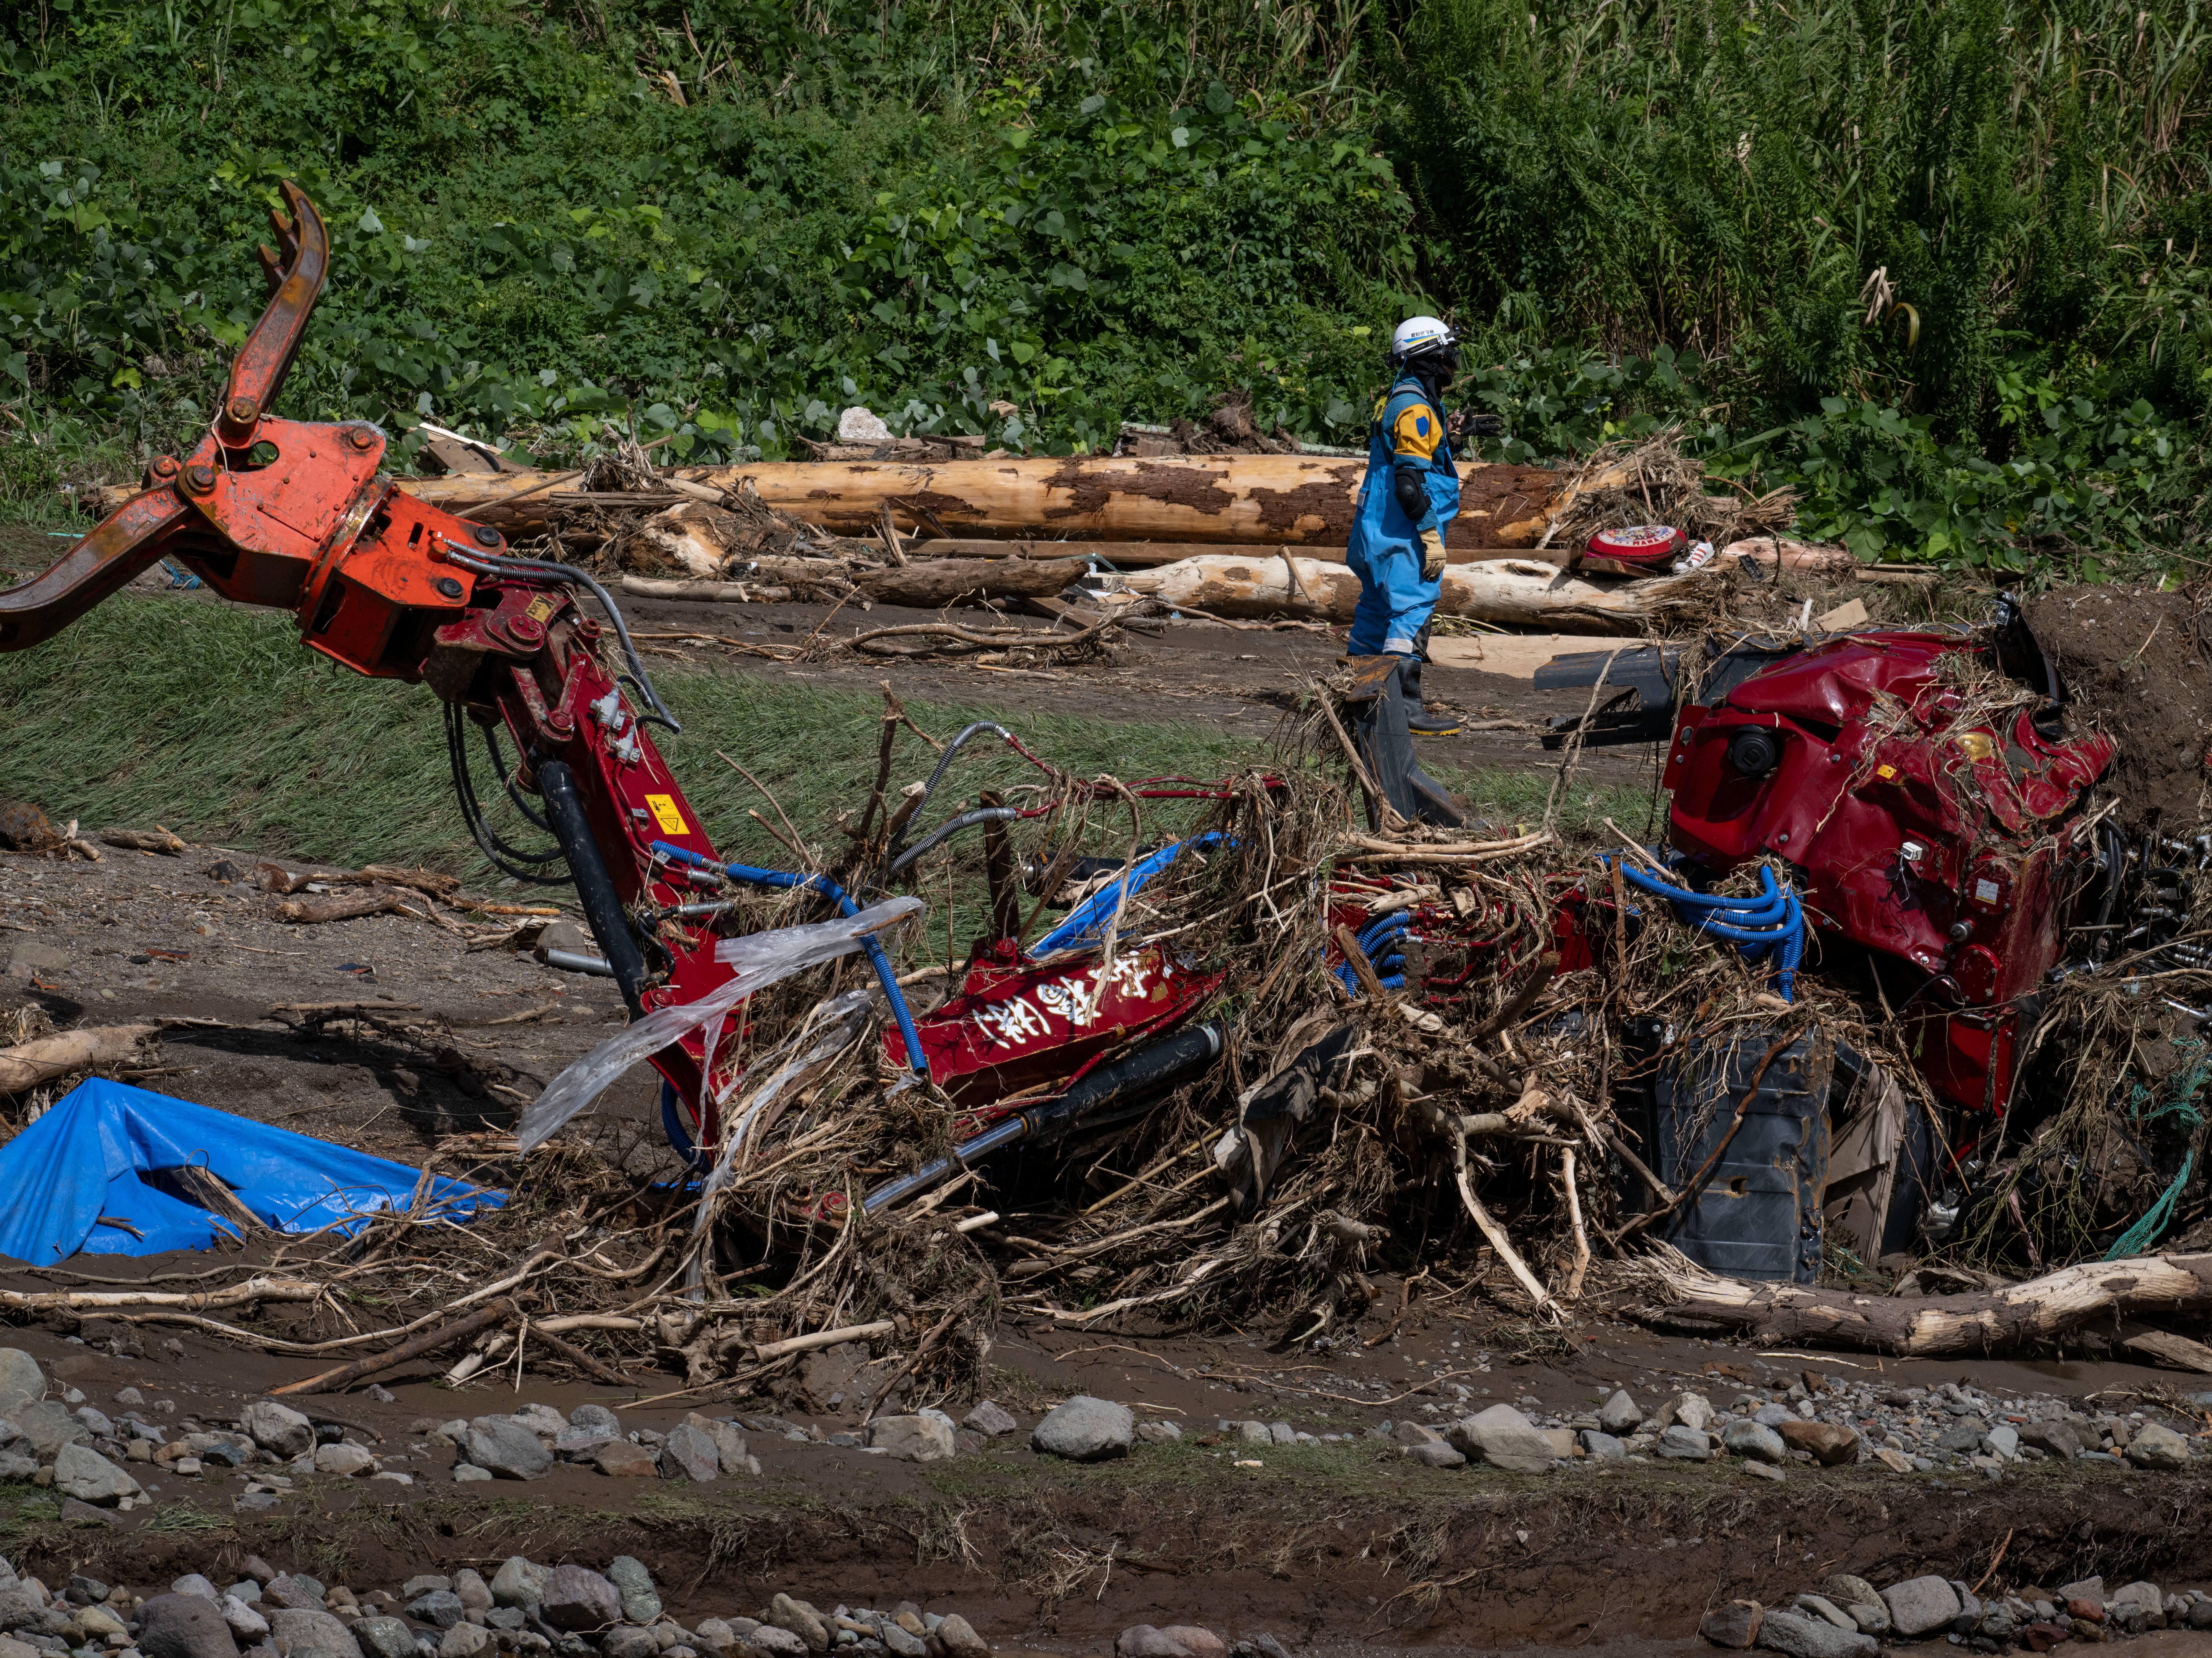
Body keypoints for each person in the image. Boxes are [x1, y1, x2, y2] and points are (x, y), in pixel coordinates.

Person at [1346, 315, 1470, 736]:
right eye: (1445, 354)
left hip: (1373, 528)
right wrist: (1430, 536)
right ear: (1429, 359)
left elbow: (1407, 456)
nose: (1451, 362)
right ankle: (1406, 710)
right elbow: (1410, 487)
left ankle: (1358, 698)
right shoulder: (1416, 406)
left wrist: (1452, 439)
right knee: (1411, 610)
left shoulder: (1399, 398)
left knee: (1375, 610)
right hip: (1402, 531)